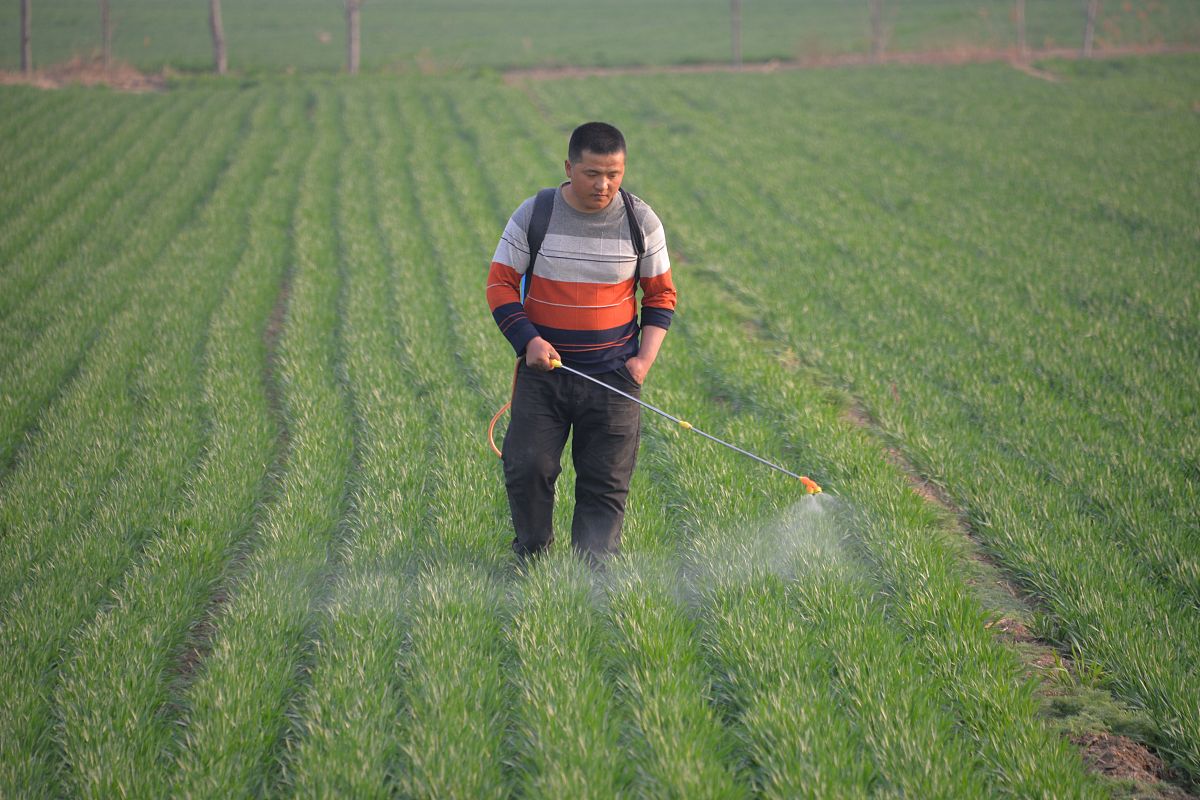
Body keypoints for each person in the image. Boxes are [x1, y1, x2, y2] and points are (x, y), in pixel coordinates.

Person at [487, 121, 676, 565]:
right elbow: (499, 285)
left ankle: (594, 577)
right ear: (569, 167)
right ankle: (532, 556)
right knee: (528, 467)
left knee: (605, 482)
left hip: (614, 378)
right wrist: (528, 340)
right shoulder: (536, 214)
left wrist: (643, 361)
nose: (603, 184)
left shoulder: (640, 221)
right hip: (544, 376)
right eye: (592, 173)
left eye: (614, 173)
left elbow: (661, 295)